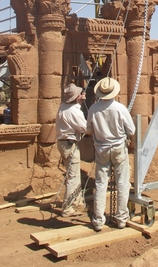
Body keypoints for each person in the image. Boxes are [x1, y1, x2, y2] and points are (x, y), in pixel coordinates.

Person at [86, 77, 135, 232]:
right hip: (119, 148)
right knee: (122, 183)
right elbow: (132, 130)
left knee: (101, 184)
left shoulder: (93, 109)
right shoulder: (120, 109)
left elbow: (88, 130)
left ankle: (98, 220)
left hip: (101, 149)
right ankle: (121, 218)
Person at [56, 83, 87, 217]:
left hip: (63, 143)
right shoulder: (74, 112)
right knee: (73, 177)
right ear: (76, 97)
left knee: (74, 174)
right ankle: (67, 208)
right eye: (81, 93)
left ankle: (76, 201)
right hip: (70, 145)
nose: (83, 94)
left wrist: (79, 102)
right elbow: (85, 128)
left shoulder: (64, 107)